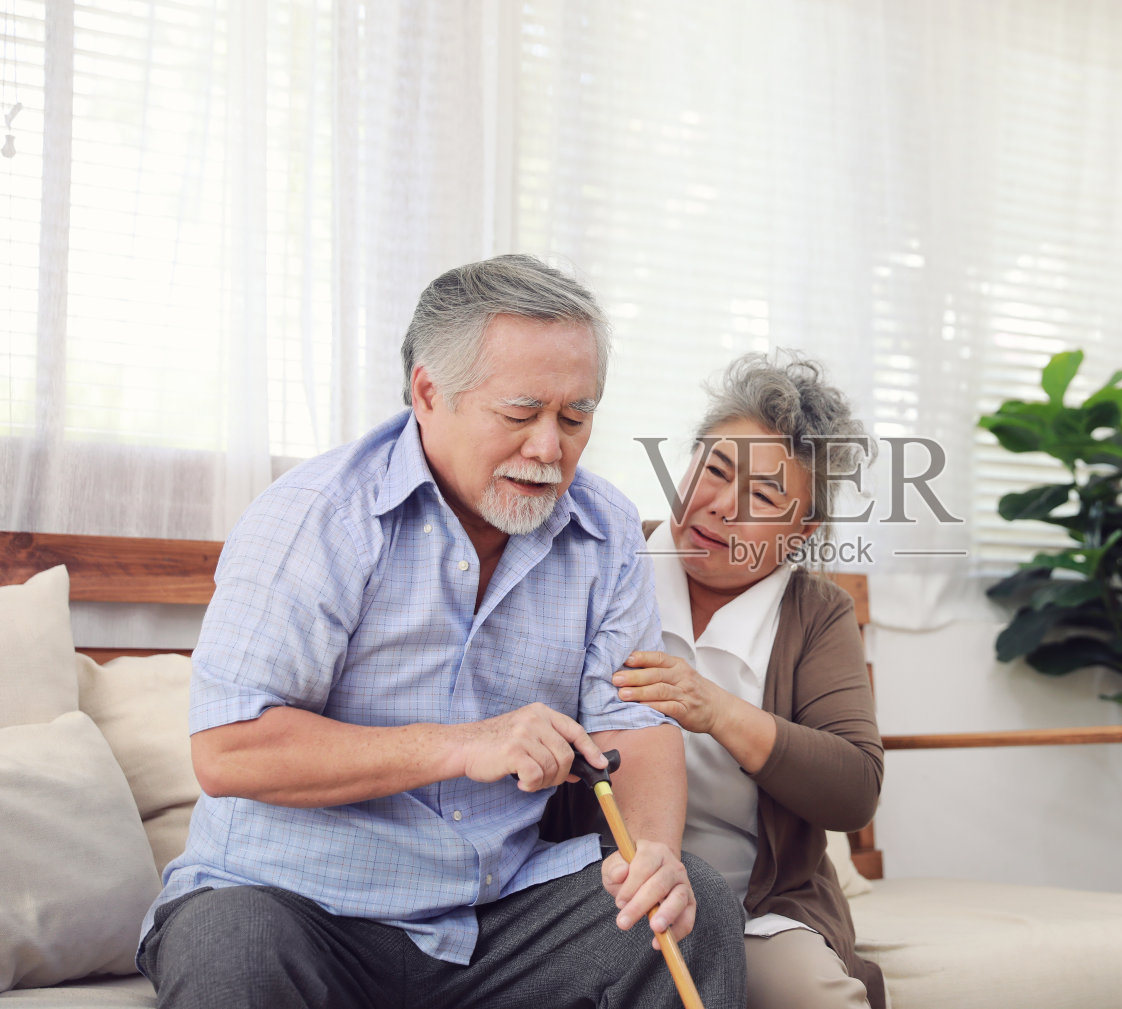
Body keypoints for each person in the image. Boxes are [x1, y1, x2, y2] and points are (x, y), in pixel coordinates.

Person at [136, 254, 746, 1009]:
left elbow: (637, 722)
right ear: (429, 392)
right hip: (292, 903)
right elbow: (229, 750)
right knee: (236, 949)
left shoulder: (607, 527)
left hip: (494, 918)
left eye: (576, 416)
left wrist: (652, 852)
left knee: (694, 912)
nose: (550, 449)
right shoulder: (317, 516)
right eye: (521, 414)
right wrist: (463, 743)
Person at [613, 352, 887, 1009]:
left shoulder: (817, 613)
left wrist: (717, 710)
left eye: (763, 496)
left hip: (761, 908)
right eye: (715, 469)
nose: (719, 507)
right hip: (613, 893)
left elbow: (854, 789)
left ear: (803, 532)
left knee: (815, 996)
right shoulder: (609, 562)